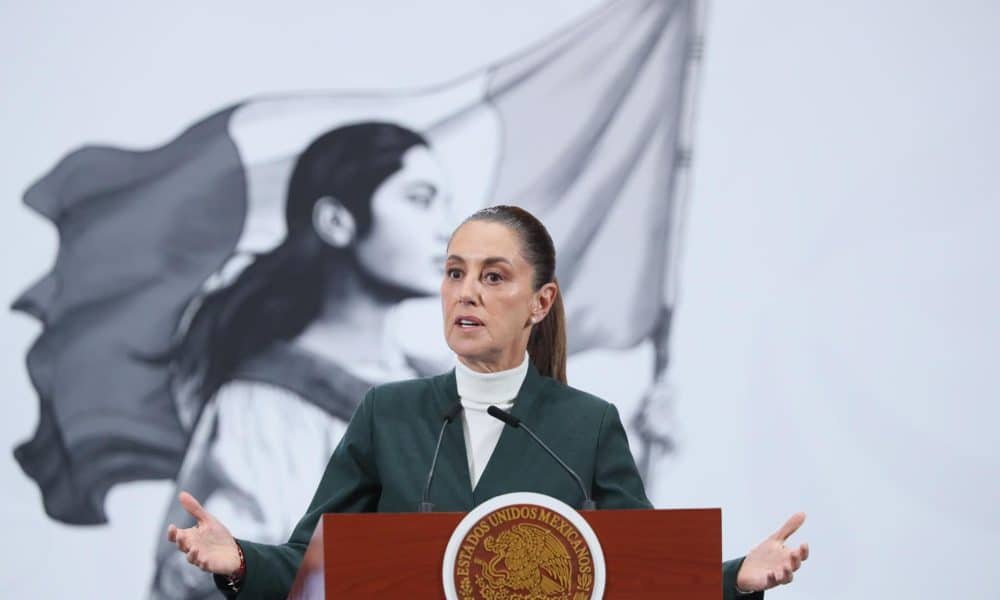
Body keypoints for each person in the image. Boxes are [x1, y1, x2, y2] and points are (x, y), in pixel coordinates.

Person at [165, 206, 809, 599]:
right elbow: (308, 568)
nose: (465, 293)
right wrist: (239, 559)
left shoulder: (588, 424)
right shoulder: (385, 413)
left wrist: (738, 577)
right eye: (454, 272)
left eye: (493, 276)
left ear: (541, 303)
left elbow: (646, 581)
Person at [150, 122, 453, 599]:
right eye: (419, 199)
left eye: (444, 204)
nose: (446, 229)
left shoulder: (438, 388)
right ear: (337, 221)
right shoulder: (267, 403)